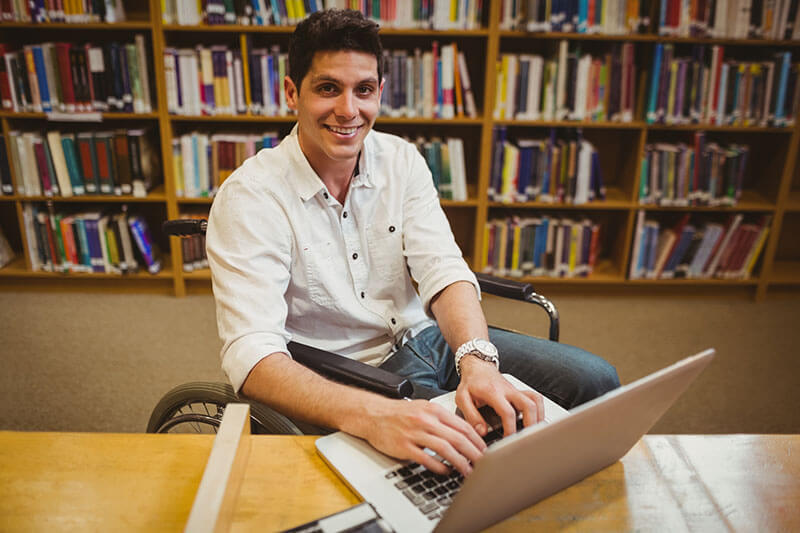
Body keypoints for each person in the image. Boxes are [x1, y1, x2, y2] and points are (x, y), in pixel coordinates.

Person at [206, 9, 619, 477]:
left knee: (597, 382)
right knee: (472, 448)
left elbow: (442, 268)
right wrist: (371, 415)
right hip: (349, 372)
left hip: (429, 336)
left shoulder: (401, 160)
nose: (348, 110)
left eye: (363, 89)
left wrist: (477, 361)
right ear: (291, 94)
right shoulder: (250, 198)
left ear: (379, 92)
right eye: (327, 88)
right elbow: (252, 357)